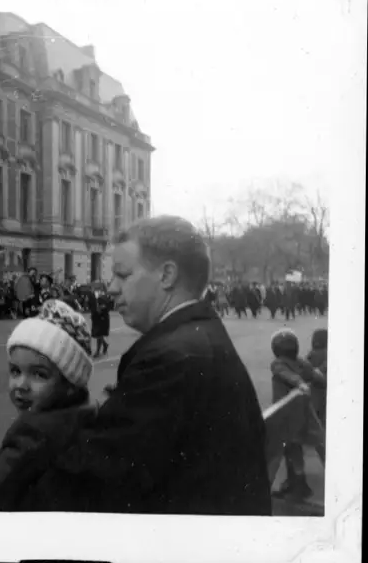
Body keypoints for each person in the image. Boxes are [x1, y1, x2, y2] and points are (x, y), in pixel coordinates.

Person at [23, 215, 272, 514]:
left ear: (167, 275)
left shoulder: (170, 358)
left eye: (123, 274)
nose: (112, 287)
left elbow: (92, 478)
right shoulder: (197, 335)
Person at [0, 300, 98, 511]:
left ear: (70, 383)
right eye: (15, 371)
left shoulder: (33, 433)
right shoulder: (85, 411)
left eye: (39, 375)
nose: (21, 385)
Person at [269, 329, 326, 500]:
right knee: (315, 443)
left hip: (287, 415)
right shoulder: (301, 362)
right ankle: (295, 483)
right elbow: (318, 378)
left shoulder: (277, 363)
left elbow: (286, 375)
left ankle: (298, 485)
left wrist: (300, 383)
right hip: (304, 412)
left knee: (292, 450)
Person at [89, 286, 112, 357]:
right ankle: (105, 345)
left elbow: (109, 305)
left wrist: (102, 307)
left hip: (103, 316)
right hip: (95, 316)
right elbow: (90, 304)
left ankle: (97, 351)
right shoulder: (92, 295)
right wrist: (93, 310)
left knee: (99, 333)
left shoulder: (106, 296)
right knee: (97, 334)